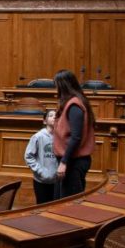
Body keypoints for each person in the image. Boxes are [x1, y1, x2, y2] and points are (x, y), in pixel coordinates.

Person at [53, 69, 96, 198]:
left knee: (70, 206)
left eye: (56, 85)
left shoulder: (74, 105)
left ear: (62, 86)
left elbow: (76, 137)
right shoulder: (73, 103)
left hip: (73, 162)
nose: (55, 89)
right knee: (62, 203)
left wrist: (64, 162)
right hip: (71, 161)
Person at [25, 109, 59, 204]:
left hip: (56, 181)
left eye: (56, 116)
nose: (54, 117)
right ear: (45, 121)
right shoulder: (38, 136)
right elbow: (28, 156)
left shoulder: (60, 137)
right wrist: (40, 171)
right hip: (41, 180)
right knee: (42, 207)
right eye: (51, 115)